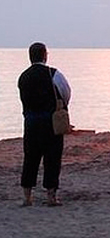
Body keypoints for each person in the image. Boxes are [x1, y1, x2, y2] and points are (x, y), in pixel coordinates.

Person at [17, 42, 72, 207]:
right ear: (45, 55)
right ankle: (51, 197)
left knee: (30, 159)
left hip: (30, 122)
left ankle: (27, 197)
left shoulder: (23, 77)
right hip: (50, 123)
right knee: (52, 159)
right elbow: (66, 92)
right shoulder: (53, 73)